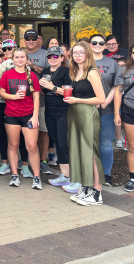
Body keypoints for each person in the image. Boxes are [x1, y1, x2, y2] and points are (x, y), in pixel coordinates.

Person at [65, 42, 106, 206]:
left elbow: (101, 99)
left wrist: (77, 100)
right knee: (79, 151)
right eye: (75, 53)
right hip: (75, 114)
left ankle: (97, 193)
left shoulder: (92, 72)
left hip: (88, 114)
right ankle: (87, 187)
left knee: (91, 152)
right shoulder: (75, 71)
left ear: (87, 54)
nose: (78, 55)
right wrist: (53, 87)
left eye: (81, 52)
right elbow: (72, 93)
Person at [0, 48, 43, 189]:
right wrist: (14, 97)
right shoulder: (7, 74)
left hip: (29, 115)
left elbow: (36, 96)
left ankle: (37, 177)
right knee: (13, 145)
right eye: (16, 57)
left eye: (22, 57)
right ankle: (14, 175)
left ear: (26, 59)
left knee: (32, 146)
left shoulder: (32, 76)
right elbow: (1, 93)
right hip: (11, 115)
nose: (19, 59)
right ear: (12, 59)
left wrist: (35, 116)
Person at [0, 39, 31, 177]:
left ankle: (24, 164)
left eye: (11, 48)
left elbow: (30, 85)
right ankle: (5, 163)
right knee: (2, 133)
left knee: (21, 134)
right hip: (0, 101)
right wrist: (2, 78)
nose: (8, 51)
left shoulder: (25, 66)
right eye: (5, 49)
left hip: (20, 103)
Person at [39, 47, 75, 191]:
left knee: (64, 143)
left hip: (63, 111)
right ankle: (64, 175)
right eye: (50, 56)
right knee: (57, 144)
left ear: (61, 57)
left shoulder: (66, 72)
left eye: (56, 56)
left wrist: (52, 87)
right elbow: (43, 91)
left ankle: (74, 176)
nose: (52, 58)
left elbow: (68, 93)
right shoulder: (45, 72)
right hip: (49, 110)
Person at [89, 34, 119, 187]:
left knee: (105, 143)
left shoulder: (112, 63)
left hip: (106, 110)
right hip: (87, 109)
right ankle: (88, 174)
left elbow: (117, 86)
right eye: (94, 42)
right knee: (88, 143)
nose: (98, 45)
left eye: (101, 43)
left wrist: (105, 102)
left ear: (105, 45)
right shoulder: (84, 61)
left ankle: (106, 174)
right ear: (89, 44)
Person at [114, 42, 134, 192]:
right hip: (130, 110)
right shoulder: (123, 70)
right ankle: (132, 178)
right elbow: (119, 91)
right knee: (133, 147)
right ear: (131, 54)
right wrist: (117, 113)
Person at [23, 29, 50, 176]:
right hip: (23, 101)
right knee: (24, 133)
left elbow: (48, 74)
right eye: (28, 39)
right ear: (24, 40)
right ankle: (26, 161)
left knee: (43, 132)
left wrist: (32, 66)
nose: (31, 41)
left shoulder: (45, 55)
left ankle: (43, 161)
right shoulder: (19, 52)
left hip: (42, 100)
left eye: (34, 39)